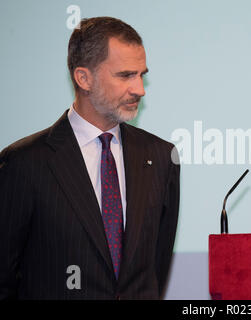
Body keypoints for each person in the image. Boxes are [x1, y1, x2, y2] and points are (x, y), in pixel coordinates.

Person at [0, 17, 180, 299]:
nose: (140, 89)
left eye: (141, 74)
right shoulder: (24, 163)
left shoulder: (159, 157)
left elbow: (155, 268)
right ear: (84, 78)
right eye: (125, 75)